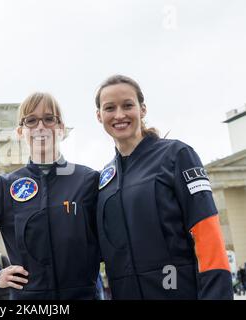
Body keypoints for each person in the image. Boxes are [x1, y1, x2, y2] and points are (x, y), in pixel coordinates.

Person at [94, 74, 233, 300]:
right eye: (110, 108)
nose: (119, 115)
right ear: (99, 116)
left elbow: (208, 234)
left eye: (127, 105)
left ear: (143, 109)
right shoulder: (104, 180)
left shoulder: (177, 156)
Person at [0, 92, 100, 300]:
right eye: (31, 120)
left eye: (49, 119)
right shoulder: (7, 186)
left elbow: (114, 243)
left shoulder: (88, 179)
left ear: (61, 129)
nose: (40, 127)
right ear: (20, 132)